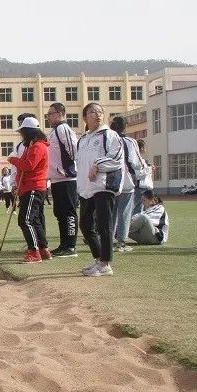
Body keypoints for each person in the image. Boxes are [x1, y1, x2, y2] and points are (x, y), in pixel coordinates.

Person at [76, 103, 124, 277]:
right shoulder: (82, 139)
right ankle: (98, 259)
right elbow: (79, 164)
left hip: (103, 185)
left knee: (104, 225)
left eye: (100, 112)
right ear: (85, 117)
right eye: (92, 112)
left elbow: (117, 158)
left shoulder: (110, 135)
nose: (96, 114)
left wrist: (98, 165)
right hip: (86, 188)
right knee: (85, 225)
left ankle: (105, 264)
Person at [8, 117, 51, 263]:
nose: (21, 135)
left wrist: (13, 159)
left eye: (23, 132)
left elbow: (28, 165)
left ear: (28, 132)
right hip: (29, 187)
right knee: (35, 220)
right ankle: (43, 249)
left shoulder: (38, 147)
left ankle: (33, 251)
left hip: (33, 187)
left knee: (25, 220)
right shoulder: (32, 146)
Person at [45, 102, 79, 257]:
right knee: (60, 213)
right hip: (56, 179)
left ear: (59, 113)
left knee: (69, 212)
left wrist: (69, 169)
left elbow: (73, 149)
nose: (48, 116)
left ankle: (70, 246)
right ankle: (63, 244)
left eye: (50, 113)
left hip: (67, 178)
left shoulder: (63, 129)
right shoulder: (54, 131)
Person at [110, 116, 144, 252]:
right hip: (126, 182)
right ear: (126, 126)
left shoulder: (109, 139)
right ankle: (121, 242)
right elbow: (136, 161)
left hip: (111, 181)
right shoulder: (130, 141)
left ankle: (107, 239)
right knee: (124, 212)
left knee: (111, 212)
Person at [132, 139, 154, 215]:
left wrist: (149, 168)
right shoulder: (136, 160)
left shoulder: (141, 160)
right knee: (138, 208)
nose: (145, 149)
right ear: (141, 148)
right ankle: (135, 225)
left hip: (144, 187)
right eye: (144, 147)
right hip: (140, 188)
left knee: (145, 209)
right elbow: (138, 175)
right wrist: (148, 169)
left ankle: (141, 225)